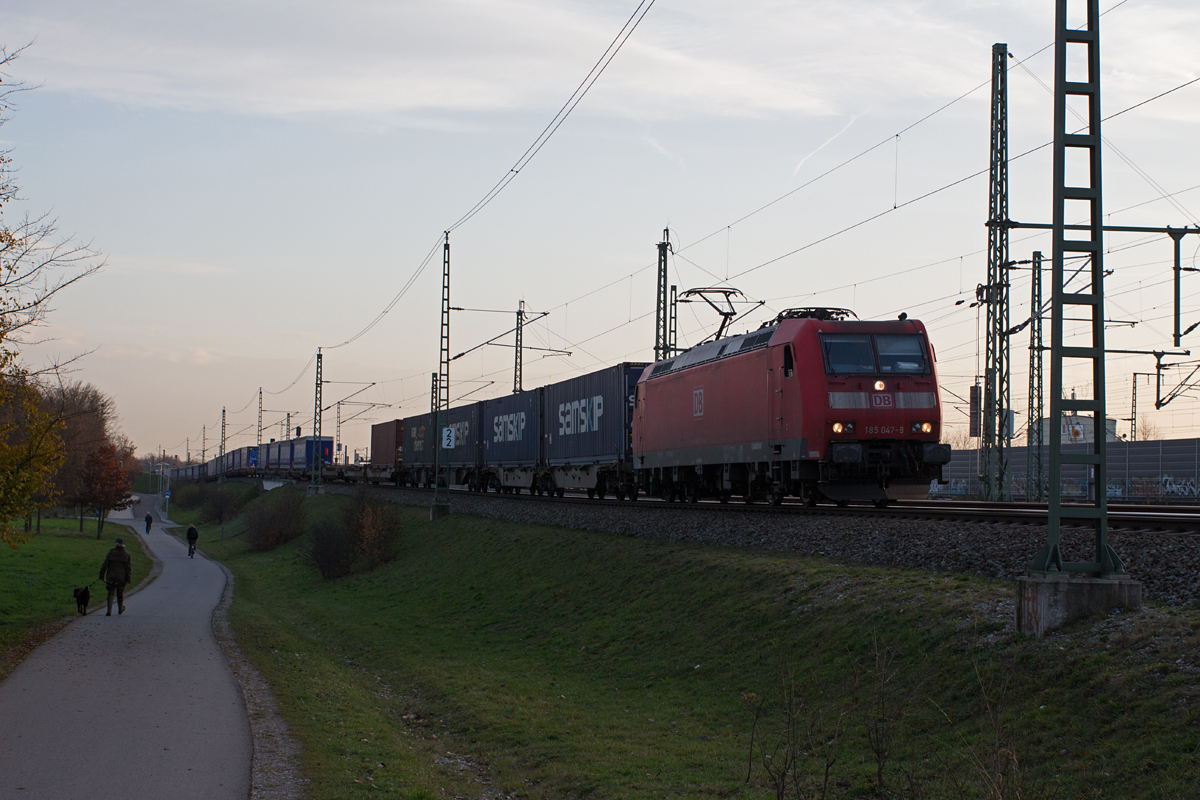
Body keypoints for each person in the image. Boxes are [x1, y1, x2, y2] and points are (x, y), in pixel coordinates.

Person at [99, 537, 132, 616]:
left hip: (111, 577)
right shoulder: (127, 555)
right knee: (120, 593)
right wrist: (128, 579)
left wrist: (101, 575)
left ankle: (109, 610)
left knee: (110, 593)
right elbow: (128, 569)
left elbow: (104, 565)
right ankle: (120, 609)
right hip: (121, 578)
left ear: (116, 544)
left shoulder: (111, 553)